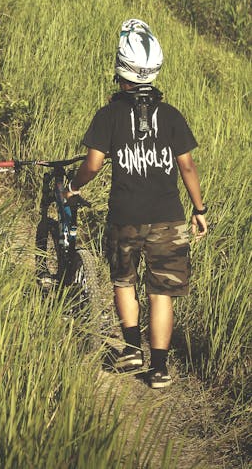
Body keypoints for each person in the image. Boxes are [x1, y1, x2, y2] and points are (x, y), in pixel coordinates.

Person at [66, 19, 207, 389]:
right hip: (169, 219)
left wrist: (73, 187)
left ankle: (131, 349)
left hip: (124, 217)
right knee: (161, 293)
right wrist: (199, 209)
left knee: (123, 281)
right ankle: (159, 369)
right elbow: (187, 165)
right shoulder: (172, 116)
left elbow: (93, 165)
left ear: (119, 68)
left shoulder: (108, 115)